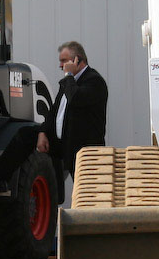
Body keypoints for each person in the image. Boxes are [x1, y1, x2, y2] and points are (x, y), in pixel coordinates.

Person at [37, 41, 109, 181]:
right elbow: (55, 111)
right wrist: (42, 131)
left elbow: (75, 98)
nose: (61, 65)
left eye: (64, 61)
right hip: (65, 148)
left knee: (85, 188)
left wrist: (69, 75)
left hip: (86, 152)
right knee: (25, 135)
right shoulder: (68, 82)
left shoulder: (94, 81)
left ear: (78, 60)